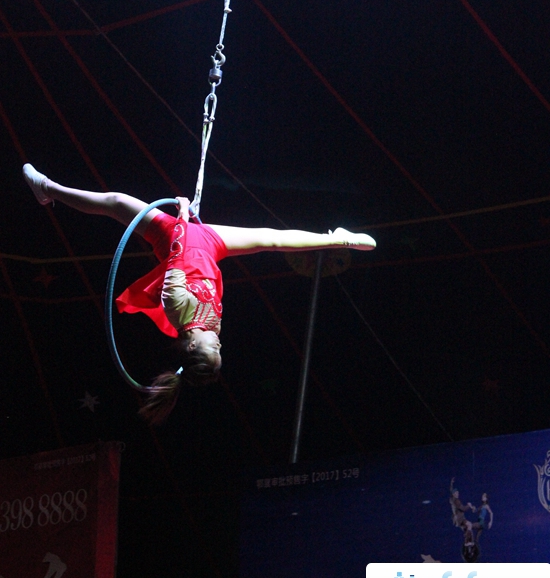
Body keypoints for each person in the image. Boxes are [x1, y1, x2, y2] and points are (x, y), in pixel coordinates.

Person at [23, 164, 376, 424]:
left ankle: (47, 188)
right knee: (270, 238)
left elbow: (177, 254)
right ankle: (336, 239)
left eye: (214, 349)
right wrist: (196, 224)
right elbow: (210, 281)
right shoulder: (210, 328)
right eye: (220, 349)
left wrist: (182, 214)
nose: (219, 343)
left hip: (174, 236)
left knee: (115, 203)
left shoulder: (178, 309)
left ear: (192, 346)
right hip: (208, 246)